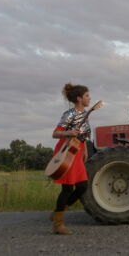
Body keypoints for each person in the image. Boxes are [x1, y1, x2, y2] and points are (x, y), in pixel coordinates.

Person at [50, 83, 91, 235]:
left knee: (82, 186)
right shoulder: (69, 114)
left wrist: (85, 149)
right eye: (87, 95)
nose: (89, 98)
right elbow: (55, 133)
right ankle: (57, 224)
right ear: (79, 98)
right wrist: (69, 133)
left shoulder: (85, 114)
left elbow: (83, 135)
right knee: (67, 189)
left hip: (78, 151)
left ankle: (57, 213)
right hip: (66, 152)